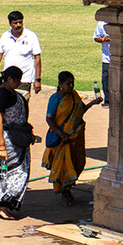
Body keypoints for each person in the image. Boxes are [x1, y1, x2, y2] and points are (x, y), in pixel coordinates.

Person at [0, 66, 39, 220]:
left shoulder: (13, 94)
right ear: (9, 79)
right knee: (10, 172)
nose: (19, 83)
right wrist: (2, 146)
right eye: (17, 80)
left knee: (18, 171)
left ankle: (3, 206)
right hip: (6, 140)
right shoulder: (2, 94)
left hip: (16, 140)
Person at [42, 70, 102, 205]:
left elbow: (79, 111)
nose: (71, 86)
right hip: (62, 139)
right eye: (67, 84)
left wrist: (92, 103)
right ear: (60, 84)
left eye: (72, 83)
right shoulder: (55, 99)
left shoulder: (74, 96)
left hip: (75, 137)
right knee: (63, 167)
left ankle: (68, 189)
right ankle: (64, 194)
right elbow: (49, 119)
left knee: (77, 163)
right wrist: (62, 134)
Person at [0, 11, 41, 97]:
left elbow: (37, 58)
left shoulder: (31, 36)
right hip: (8, 80)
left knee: (22, 106)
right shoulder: (5, 36)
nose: (18, 25)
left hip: (24, 80)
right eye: (15, 23)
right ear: (10, 23)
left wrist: (37, 80)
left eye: (20, 22)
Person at [93, 21, 111, 106]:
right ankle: (108, 101)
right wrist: (104, 39)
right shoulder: (101, 23)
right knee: (106, 79)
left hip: (119, 56)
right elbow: (96, 37)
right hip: (106, 57)